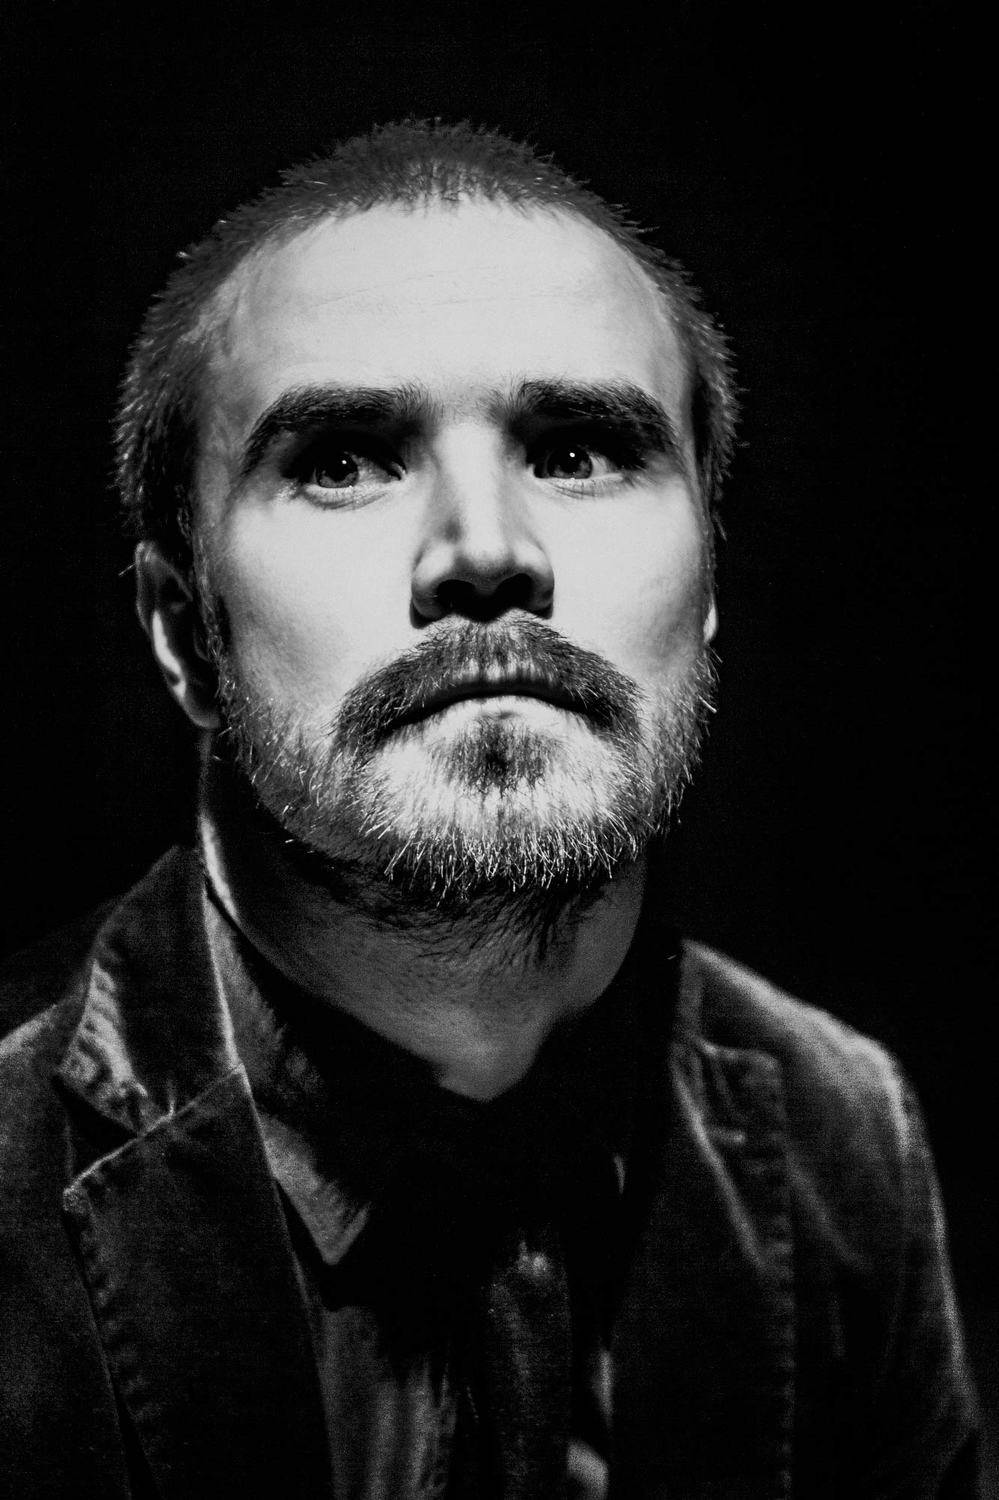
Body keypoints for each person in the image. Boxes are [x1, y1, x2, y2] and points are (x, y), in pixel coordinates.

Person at [0, 120, 980, 1499]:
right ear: (183, 633)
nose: (487, 552)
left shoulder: (845, 1136)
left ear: (707, 589)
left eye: (579, 450)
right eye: (345, 458)